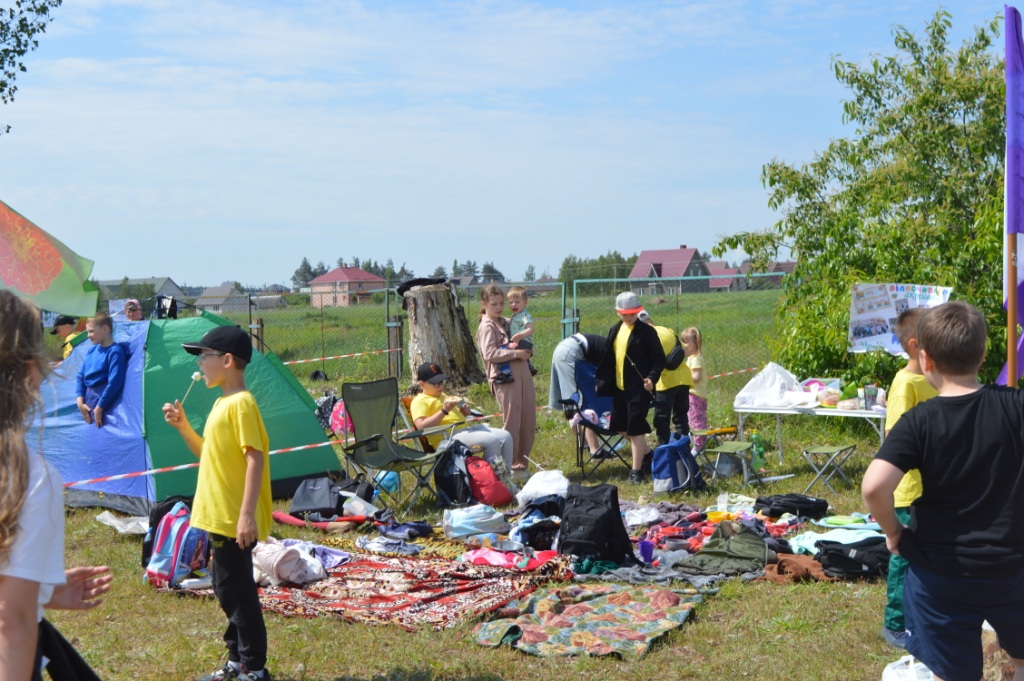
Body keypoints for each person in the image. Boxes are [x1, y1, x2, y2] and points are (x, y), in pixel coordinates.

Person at [862, 301, 1024, 681]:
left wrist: (893, 532)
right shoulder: (1017, 406)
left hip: (940, 576)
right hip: (1011, 570)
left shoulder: (919, 421)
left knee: (952, 674)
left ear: (925, 359)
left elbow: (873, 486)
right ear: (982, 355)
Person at [0, 290, 113, 681]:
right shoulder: (26, 474)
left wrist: (39, 590)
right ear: (32, 370)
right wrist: (27, 598)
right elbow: (11, 621)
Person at [162, 325, 273, 681]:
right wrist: (183, 427)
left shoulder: (241, 404)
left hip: (232, 517)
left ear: (226, 361)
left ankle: (254, 668)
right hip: (219, 516)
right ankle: (236, 661)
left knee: (236, 593)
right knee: (227, 590)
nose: (199, 363)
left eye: (203, 357)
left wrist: (246, 515)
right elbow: (206, 452)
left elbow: (254, 458)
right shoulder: (221, 403)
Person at [879, 307, 938, 650]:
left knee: (926, 556)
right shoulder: (905, 383)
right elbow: (895, 439)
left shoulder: (934, 380)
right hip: (908, 490)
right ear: (916, 345)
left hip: (932, 487)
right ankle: (895, 623)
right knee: (903, 558)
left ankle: (919, 617)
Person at [594, 292, 665, 484]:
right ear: (618, 312)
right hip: (619, 388)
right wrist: (602, 381)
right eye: (625, 314)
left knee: (635, 429)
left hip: (639, 389)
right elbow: (608, 358)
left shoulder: (647, 332)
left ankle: (636, 472)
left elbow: (659, 359)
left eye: (633, 313)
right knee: (618, 426)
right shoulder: (615, 330)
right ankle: (648, 453)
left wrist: (651, 378)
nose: (629, 317)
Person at [475, 284, 535, 480]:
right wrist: (516, 354)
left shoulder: (506, 321)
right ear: (484, 304)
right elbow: (490, 354)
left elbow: (525, 324)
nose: (499, 307)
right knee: (513, 422)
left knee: (527, 418)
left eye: (502, 303)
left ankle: (521, 465)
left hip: (522, 372)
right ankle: (506, 469)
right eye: (494, 304)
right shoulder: (487, 326)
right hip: (505, 378)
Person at [409, 361, 514, 469]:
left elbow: (451, 418)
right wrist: (444, 410)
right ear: (422, 384)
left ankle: (506, 476)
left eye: (442, 382)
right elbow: (421, 426)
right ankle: (492, 477)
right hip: (447, 437)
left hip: (464, 430)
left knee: (505, 436)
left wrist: (463, 413)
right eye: (436, 384)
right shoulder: (419, 401)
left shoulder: (442, 395)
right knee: (491, 440)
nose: (441, 386)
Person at [548, 332, 610, 458]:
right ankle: (591, 448)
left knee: (576, 403)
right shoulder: (615, 355)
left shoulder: (611, 349)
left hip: (566, 349)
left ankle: (588, 445)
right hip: (571, 352)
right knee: (574, 404)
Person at [639, 310, 691, 447]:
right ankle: (683, 450)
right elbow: (684, 351)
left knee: (661, 420)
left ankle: (665, 451)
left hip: (666, 382)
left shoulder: (648, 338)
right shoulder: (668, 330)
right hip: (684, 379)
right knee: (681, 419)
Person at [75, 314, 127, 428]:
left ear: (105, 329)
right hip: (88, 402)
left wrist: (100, 407)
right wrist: (80, 402)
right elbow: (80, 377)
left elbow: (114, 383)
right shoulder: (92, 350)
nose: (88, 335)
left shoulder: (115, 352)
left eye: (91, 331)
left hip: (103, 404)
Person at [682, 327, 709, 450]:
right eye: (683, 341)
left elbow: (696, 377)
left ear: (696, 343)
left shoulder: (695, 359)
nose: (684, 345)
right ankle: (702, 442)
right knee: (701, 420)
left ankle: (698, 446)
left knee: (695, 421)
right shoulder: (693, 358)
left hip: (694, 396)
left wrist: (682, 377)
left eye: (686, 342)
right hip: (699, 395)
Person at [507, 286, 538, 376]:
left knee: (512, 351)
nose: (513, 304)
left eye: (517, 302)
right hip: (518, 340)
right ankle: (526, 367)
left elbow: (531, 329)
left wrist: (520, 335)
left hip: (524, 341)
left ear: (525, 303)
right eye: (511, 302)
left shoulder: (524, 315)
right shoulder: (515, 315)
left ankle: (528, 367)